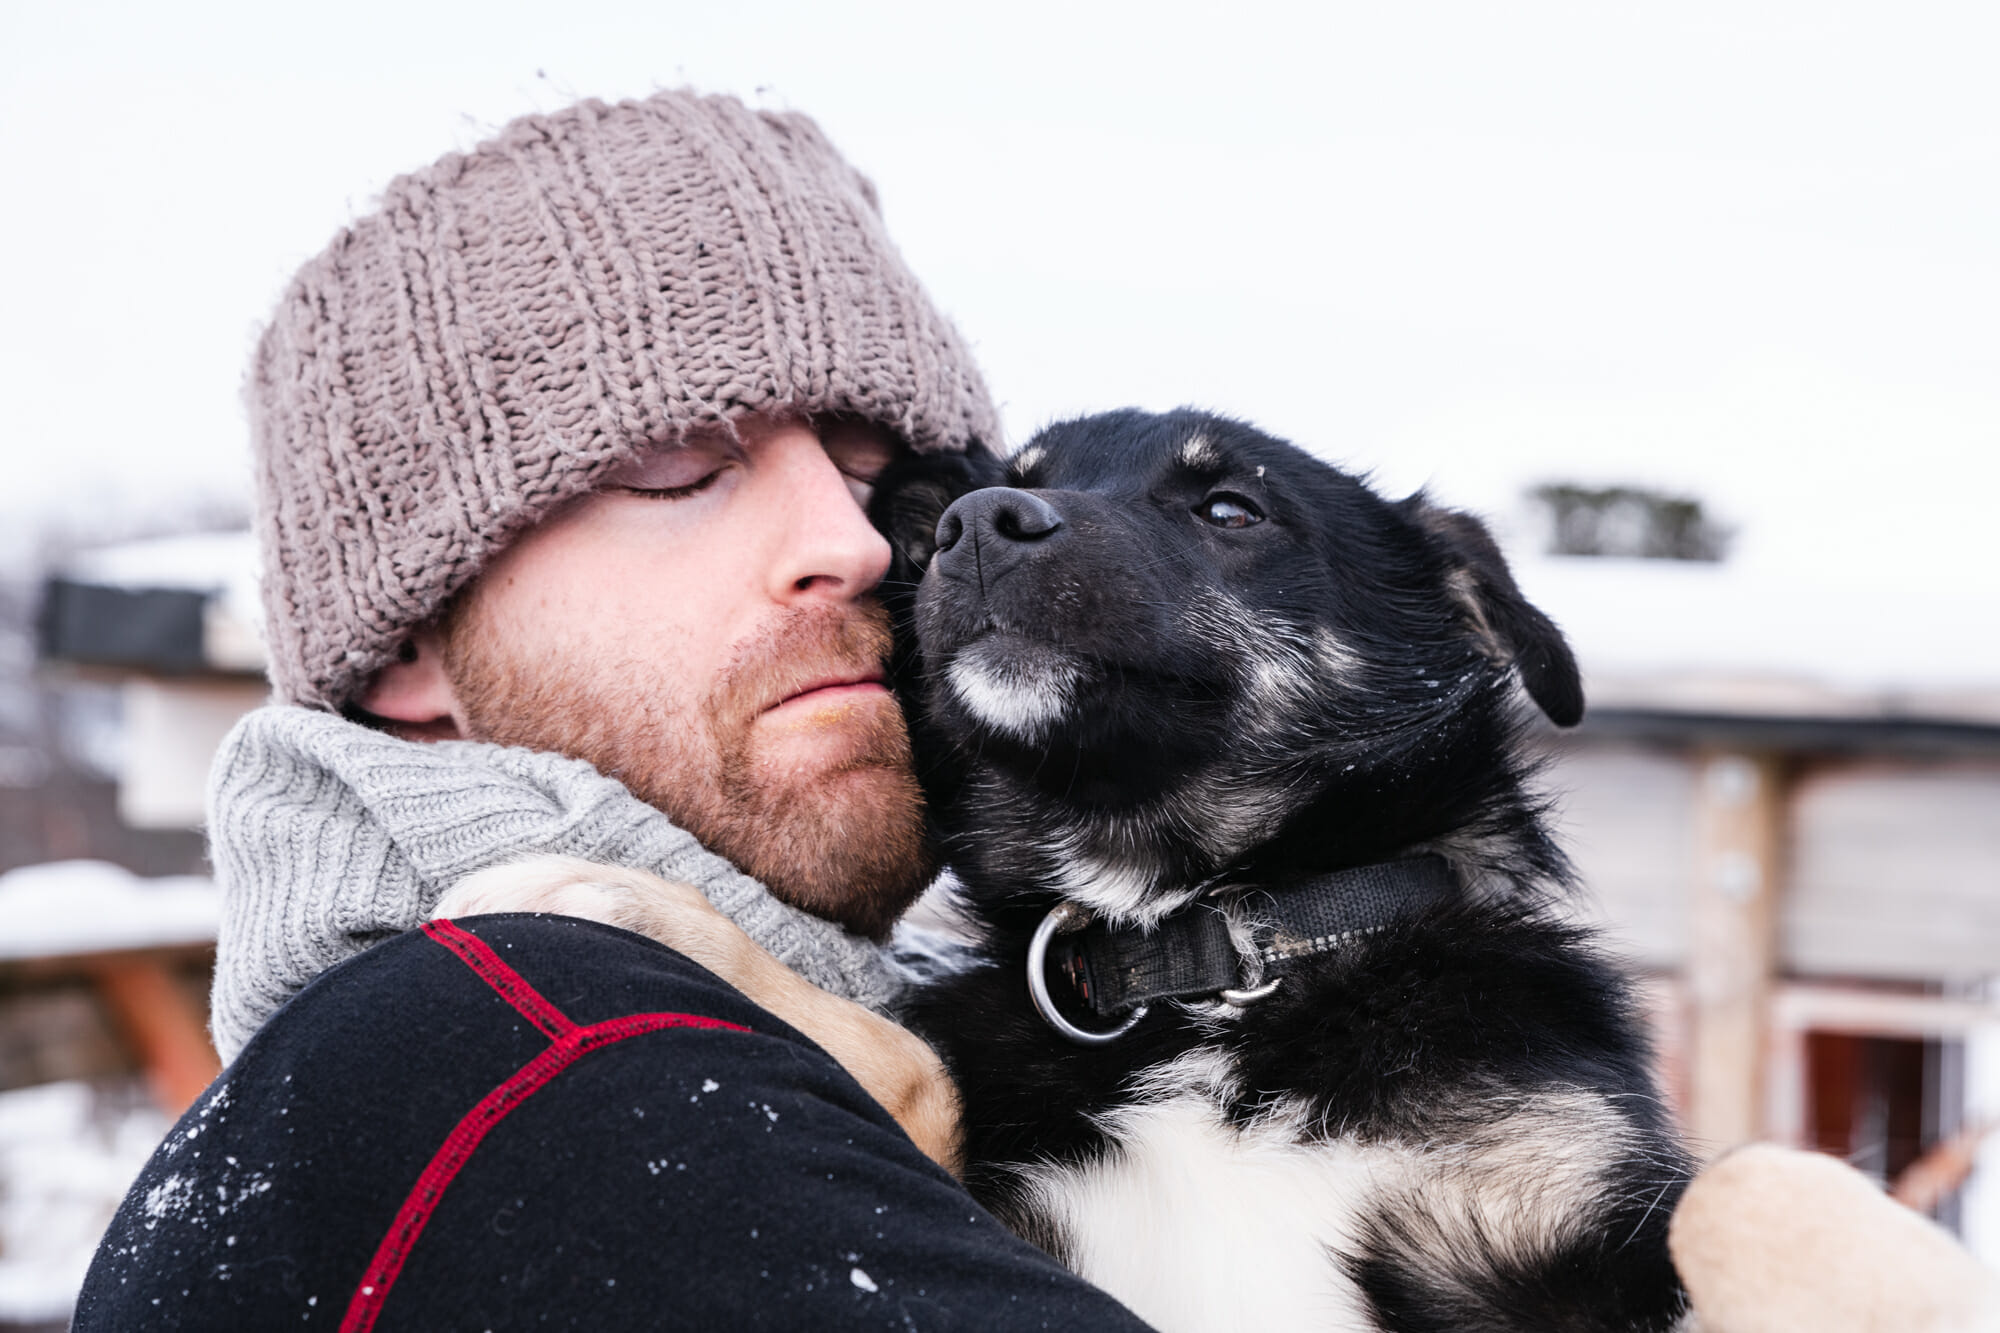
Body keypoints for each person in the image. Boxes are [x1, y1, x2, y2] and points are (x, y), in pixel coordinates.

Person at [74, 89, 1156, 1331]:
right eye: (680, 469)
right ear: (406, 653)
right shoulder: (532, 1055)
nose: (847, 543)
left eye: (883, 476)